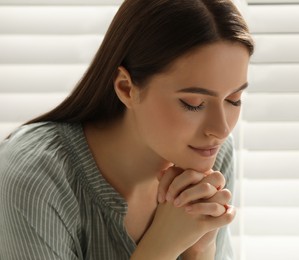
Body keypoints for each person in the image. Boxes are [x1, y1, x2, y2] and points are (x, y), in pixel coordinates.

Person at [0, 0, 254, 259]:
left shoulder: (210, 153)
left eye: (234, 100)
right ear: (125, 88)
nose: (221, 129)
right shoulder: (35, 176)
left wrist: (200, 249)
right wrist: (162, 246)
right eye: (194, 104)